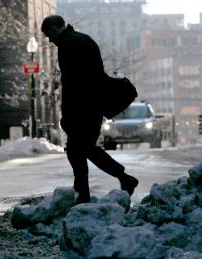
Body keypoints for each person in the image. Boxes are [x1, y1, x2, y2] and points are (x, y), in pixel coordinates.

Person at [41, 15, 138, 204]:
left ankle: (115, 181)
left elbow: (74, 84)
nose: (50, 40)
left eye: (49, 35)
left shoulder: (68, 45)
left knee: (80, 149)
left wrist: (67, 113)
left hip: (83, 108)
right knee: (79, 150)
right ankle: (88, 190)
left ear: (55, 28)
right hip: (92, 106)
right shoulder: (82, 39)